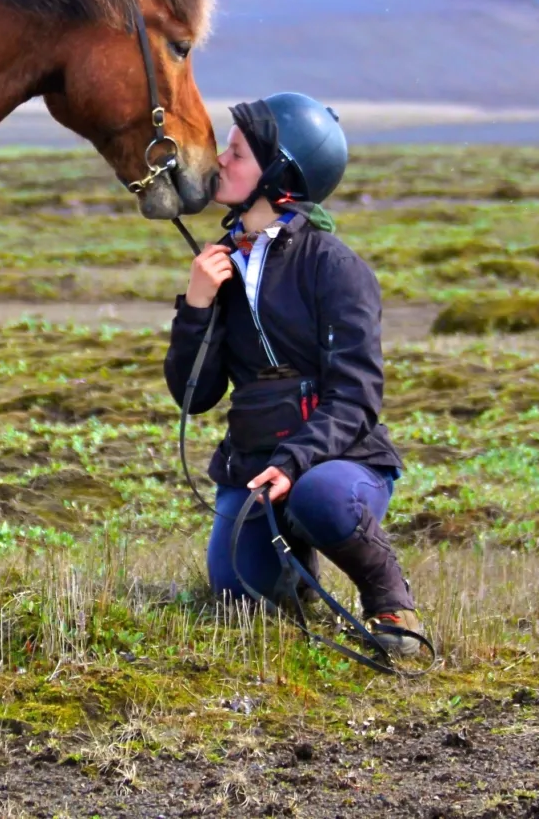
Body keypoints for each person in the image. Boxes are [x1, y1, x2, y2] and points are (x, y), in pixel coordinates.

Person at [164, 93, 425, 656]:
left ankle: (390, 602)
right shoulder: (221, 261)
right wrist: (197, 305)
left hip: (340, 464)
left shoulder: (336, 267)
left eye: (236, 152)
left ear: (280, 173)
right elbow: (197, 395)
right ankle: (297, 571)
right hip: (253, 468)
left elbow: (355, 400)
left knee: (320, 500)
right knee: (238, 594)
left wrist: (292, 462)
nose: (220, 161)